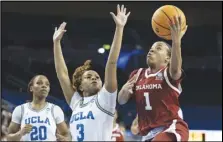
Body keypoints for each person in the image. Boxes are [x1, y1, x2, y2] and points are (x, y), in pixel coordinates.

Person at [53, 4, 130, 141]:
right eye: (88, 77)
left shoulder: (106, 98)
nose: (94, 78)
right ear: (80, 86)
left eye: (97, 77)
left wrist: (119, 28)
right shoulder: (76, 102)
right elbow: (62, 75)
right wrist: (56, 43)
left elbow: (111, 63)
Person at [118, 16, 189, 141]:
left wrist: (176, 41)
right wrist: (124, 91)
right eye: (151, 48)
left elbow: (176, 68)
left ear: (168, 59)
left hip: (170, 128)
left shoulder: (169, 73)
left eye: (158, 48)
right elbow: (121, 101)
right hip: (148, 133)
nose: (152, 50)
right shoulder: (137, 74)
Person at [6, 75, 70, 141]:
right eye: (39, 83)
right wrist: (20, 133)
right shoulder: (20, 109)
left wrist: (64, 139)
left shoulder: (55, 109)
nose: (44, 86)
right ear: (31, 88)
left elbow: (66, 134)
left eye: (47, 84)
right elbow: (9, 138)